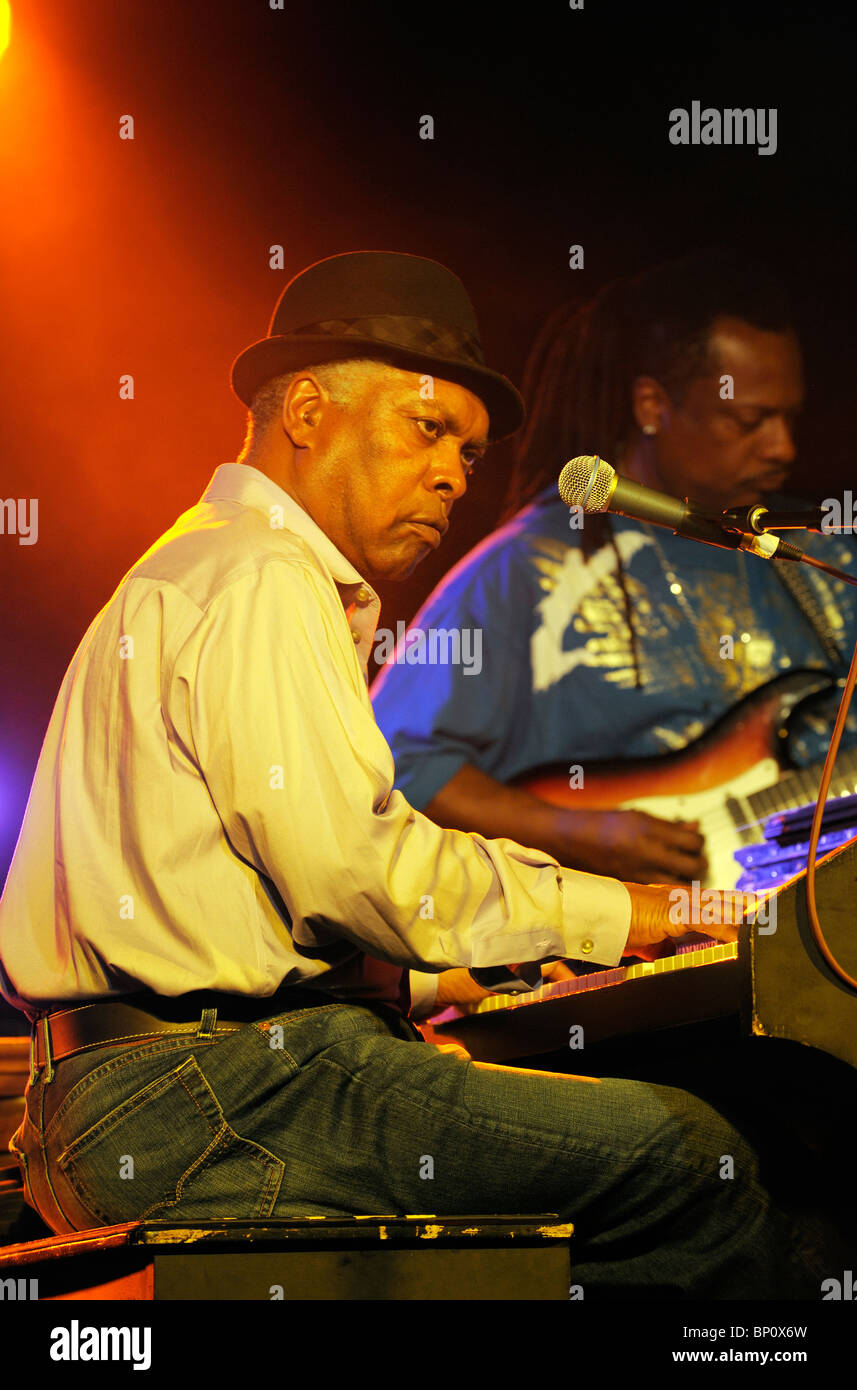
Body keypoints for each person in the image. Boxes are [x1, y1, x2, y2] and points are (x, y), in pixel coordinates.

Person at [0, 251, 833, 1298]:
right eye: (426, 429)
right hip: (217, 1092)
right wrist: (623, 914)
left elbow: (257, 902)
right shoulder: (260, 577)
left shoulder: (209, 565)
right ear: (306, 409)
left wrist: (458, 971)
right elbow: (356, 865)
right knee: (697, 1158)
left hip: (144, 1090)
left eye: (470, 453)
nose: (452, 474)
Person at [372, 250, 857, 892]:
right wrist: (581, 835)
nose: (783, 447)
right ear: (653, 406)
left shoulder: (822, 557)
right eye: (750, 419)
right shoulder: (530, 568)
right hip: (647, 948)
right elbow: (396, 770)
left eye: (790, 417)